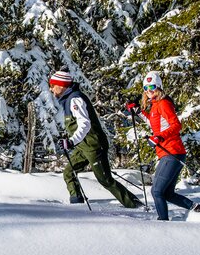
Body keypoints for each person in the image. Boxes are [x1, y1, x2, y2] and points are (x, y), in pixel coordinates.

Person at [48, 70, 143, 208]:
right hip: (83, 146)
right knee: (69, 172)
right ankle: (77, 204)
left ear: (61, 85)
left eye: (52, 85)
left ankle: (134, 204)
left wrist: (71, 141)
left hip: (94, 145)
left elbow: (85, 123)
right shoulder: (68, 100)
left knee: (105, 180)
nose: (51, 89)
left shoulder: (75, 99)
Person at [130, 71, 200, 221]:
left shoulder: (163, 103)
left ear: (159, 86)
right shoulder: (154, 106)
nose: (149, 91)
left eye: (152, 87)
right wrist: (138, 112)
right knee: (167, 194)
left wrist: (159, 137)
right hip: (170, 152)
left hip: (172, 152)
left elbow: (176, 125)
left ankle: (163, 224)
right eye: (146, 88)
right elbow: (154, 124)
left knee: (157, 191)